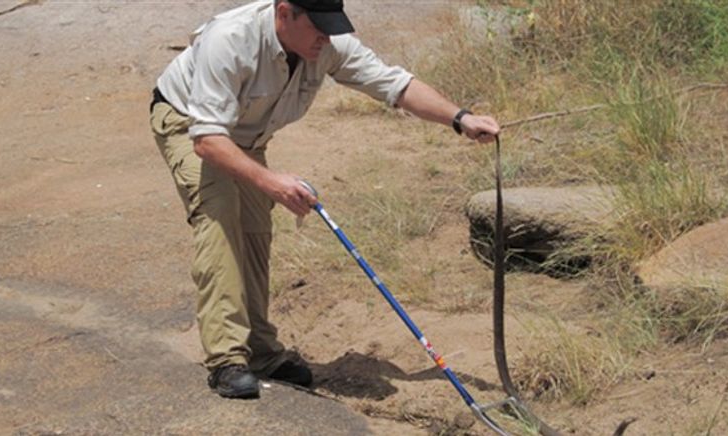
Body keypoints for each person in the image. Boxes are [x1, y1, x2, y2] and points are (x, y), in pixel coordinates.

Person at [150, 0, 500, 400]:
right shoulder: (229, 40)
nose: (325, 37)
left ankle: (261, 353)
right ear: (284, 13)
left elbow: (395, 85)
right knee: (221, 220)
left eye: (331, 26)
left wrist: (461, 118)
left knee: (255, 232)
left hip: (245, 136)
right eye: (317, 26)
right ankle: (227, 360)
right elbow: (209, 141)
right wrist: (273, 183)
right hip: (191, 125)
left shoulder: (328, 43)